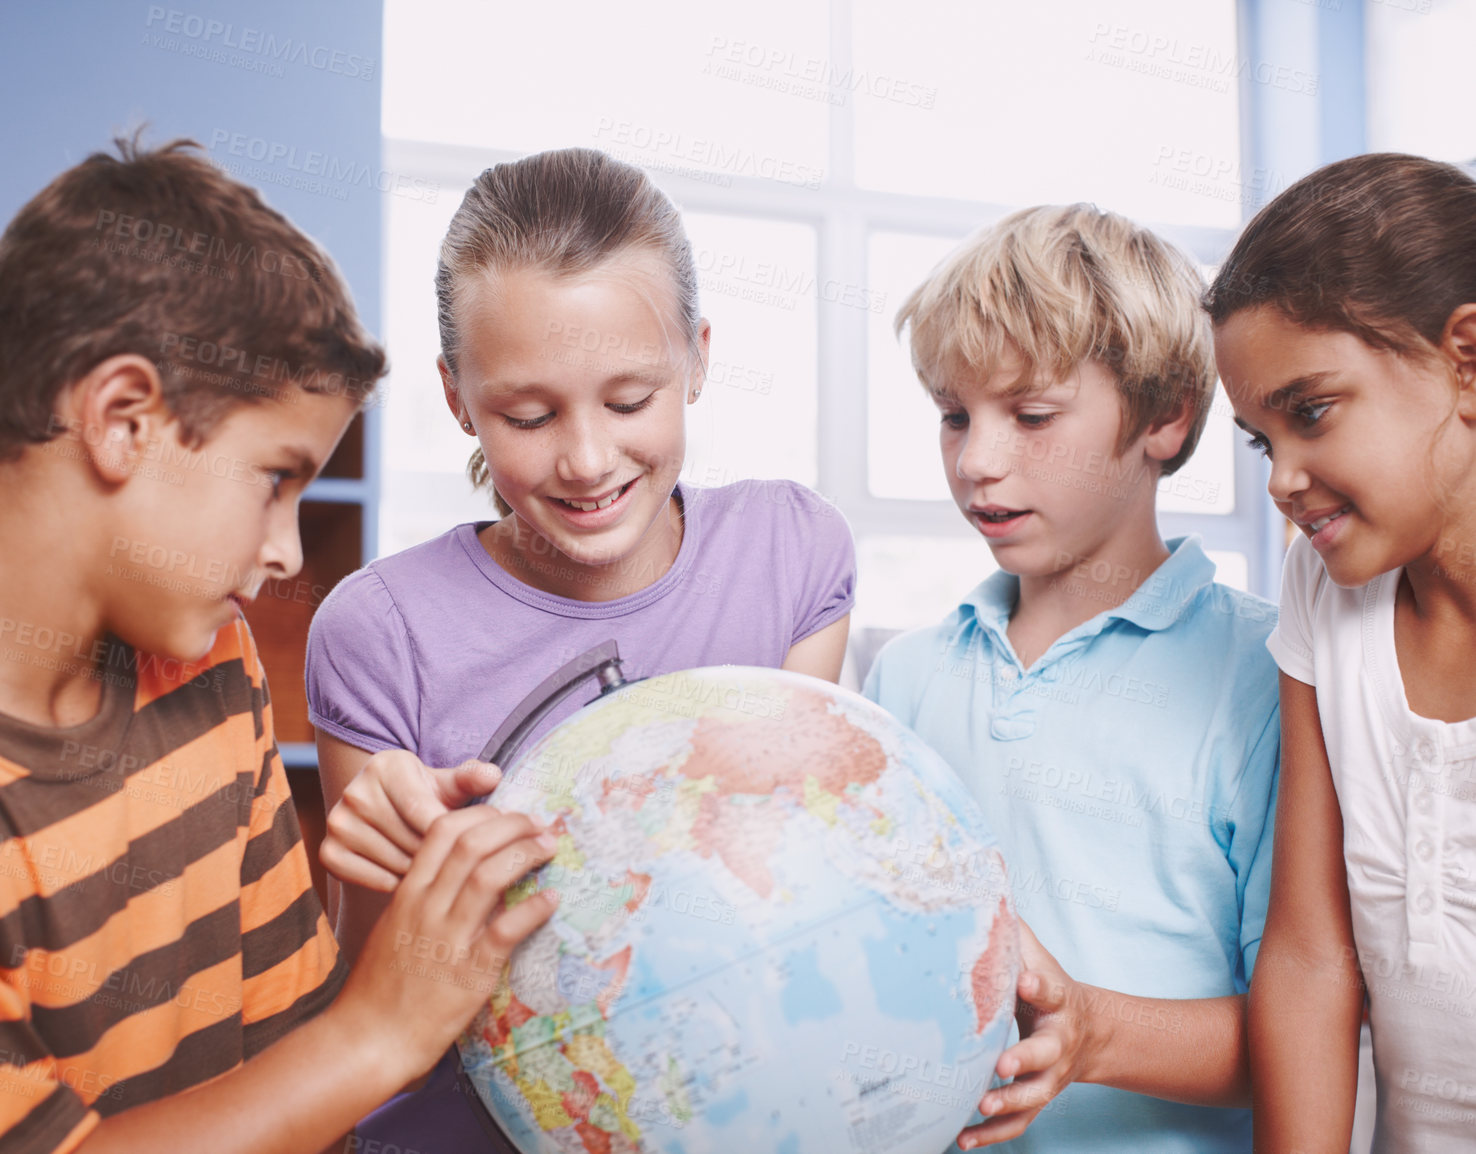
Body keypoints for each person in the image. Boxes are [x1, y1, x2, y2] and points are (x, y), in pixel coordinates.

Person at [0, 136, 558, 1154]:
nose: (284, 551)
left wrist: (396, 908)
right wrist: (381, 1029)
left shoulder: (209, 657)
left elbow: (288, 1063)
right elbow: (334, 1051)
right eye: (275, 477)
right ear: (123, 419)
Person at [306, 147, 856, 1151]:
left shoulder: (792, 551)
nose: (588, 459)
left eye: (631, 398)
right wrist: (373, 862)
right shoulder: (376, 628)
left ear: (696, 354)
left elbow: (792, 897)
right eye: (527, 413)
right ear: (456, 394)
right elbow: (375, 1009)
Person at [863, 204, 1280, 1151]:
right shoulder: (904, 679)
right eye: (954, 417)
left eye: (1032, 415)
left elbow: (1304, 1035)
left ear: (1165, 417)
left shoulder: (1264, 679)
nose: (977, 460)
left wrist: (1094, 1031)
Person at [1207, 153, 1476, 1154]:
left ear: (1465, 360)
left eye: (1309, 411)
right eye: (1257, 438)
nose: (1281, 476)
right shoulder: (1323, 588)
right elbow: (1312, 953)